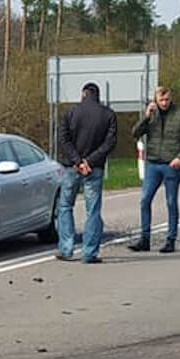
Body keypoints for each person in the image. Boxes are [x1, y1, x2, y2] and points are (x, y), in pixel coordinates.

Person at [129, 86, 180, 253]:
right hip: (153, 163)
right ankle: (145, 239)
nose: (164, 103)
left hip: (171, 164)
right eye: (161, 100)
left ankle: (170, 240)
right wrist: (146, 116)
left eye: (167, 99)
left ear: (171, 98)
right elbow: (135, 133)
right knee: (145, 200)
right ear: (156, 99)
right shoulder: (152, 115)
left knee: (171, 202)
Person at [53, 82, 116, 264]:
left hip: (71, 167)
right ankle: (89, 253)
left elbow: (63, 139)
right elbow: (109, 142)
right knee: (93, 210)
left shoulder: (70, 112)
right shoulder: (108, 115)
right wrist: (90, 161)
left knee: (65, 206)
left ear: (83, 94)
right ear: (98, 96)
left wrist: (77, 161)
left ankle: (66, 249)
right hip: (94, 168)